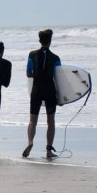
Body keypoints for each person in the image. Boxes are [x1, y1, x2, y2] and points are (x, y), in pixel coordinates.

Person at [26, 28, 61, 159]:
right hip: (50, 90)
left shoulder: (32, 55)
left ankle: (30, 142)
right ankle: (48, 150)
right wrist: (61, 97)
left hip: (36, 90)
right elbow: (59, 78)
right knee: (50, 121)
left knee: (32, 121)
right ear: (50, 41)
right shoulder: (56, 58)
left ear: (39, 40)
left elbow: (28, 73)